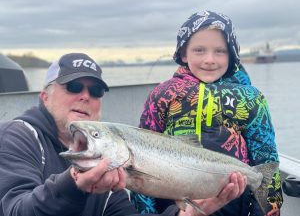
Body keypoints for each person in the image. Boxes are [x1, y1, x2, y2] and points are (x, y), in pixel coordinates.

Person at [0, 52, 246, 216]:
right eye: (73, 87)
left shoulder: (108, 170)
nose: (85, 96)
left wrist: (185, 214)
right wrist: (74, 185)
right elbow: (14, 209)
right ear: (45, 96)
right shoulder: (20, 136)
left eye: (95, 91)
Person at [130, 11, 283, 216]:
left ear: (232, 55)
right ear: (184, 53)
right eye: (199, 50)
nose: (209, 60)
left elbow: (266, 159)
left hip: (234, 208)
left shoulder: (251, 98)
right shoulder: (162, 94)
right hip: (173, 208)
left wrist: (267, 210)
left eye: (220, 51)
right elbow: (141, 154)